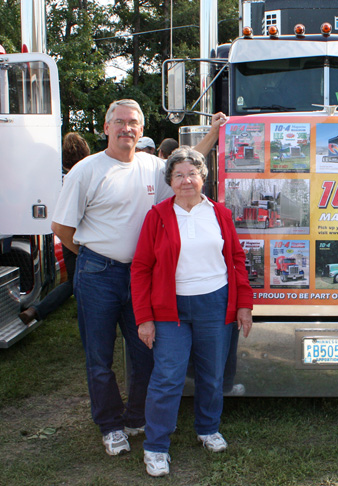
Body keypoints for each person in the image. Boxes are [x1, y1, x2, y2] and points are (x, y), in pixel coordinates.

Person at [51, 99, 226, 456]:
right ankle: (110, 425)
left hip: (142, 277)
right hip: (98, 273)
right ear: (106, 127)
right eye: (119, 122)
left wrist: (213, 132)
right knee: (99, 356)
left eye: (133, 122)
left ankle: (136, 418)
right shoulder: (87, 170)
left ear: (141, 130)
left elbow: (188, 164)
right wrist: (92, 254)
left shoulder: (152, 167)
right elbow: (61, 227)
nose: (126, 128)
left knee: (146, 352)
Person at [131, 147, 253, 477]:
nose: (186, 180)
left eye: (192, 174)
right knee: (167, 377)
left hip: (215, 304)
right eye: (179, 175)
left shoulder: (220, 214)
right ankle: (156, 446)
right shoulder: (157, 216)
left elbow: (236, 260)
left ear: (203, 178)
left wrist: (244, 304)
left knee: (212, 373)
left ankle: (208, 428)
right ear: (170, 181)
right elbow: (141, 268)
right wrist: (144, 318)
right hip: (170, 309)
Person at [19, 132, 90, 325]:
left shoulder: (57, 179)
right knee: (80, 281)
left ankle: (36, 310)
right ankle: (38, 310)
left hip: (64, 232)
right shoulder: (86, 176)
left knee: (75, 279)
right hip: (85, 232)